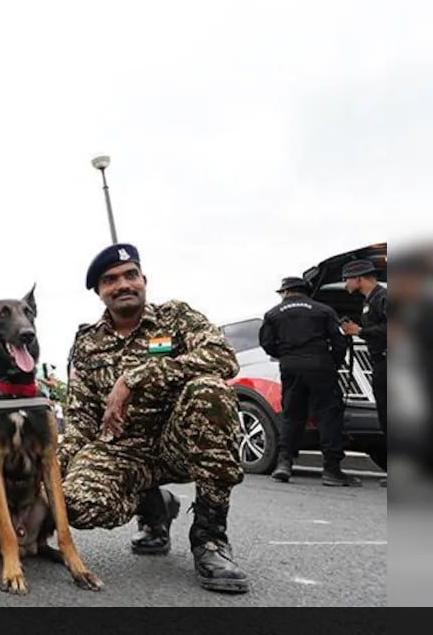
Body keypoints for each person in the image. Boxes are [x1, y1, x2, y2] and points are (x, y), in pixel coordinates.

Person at [61, 243, 248, 593]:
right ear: (99, 292)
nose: (123, 284)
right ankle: (154, 508)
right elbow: (81, 418)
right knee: (77, 504)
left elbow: (223, 358)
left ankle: (210, 539)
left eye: (131, 275)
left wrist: (137, 377)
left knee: (210, 391)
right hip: (124, 452)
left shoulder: (175, 318)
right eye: (110, 280)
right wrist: (46, 471)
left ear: (144, 279)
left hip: (179, 442)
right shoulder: (88, 343)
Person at [259, 277, 358, 486]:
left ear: (285, 292)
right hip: (320, 366)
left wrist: (286, 356)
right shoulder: (323, 310)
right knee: (328, 416)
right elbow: (339, 341)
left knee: (292, 415)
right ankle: (331, 470)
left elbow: (266, 343)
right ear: (306, 292)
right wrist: (333, 362)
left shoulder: (273, 313)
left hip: (290, 367)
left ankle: (284, 464)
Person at [339, 258, 387, 485]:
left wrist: (360, 330)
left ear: (359, 278)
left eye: (347, 279)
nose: (345, 284)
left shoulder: (383, 297)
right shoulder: (371, 300)